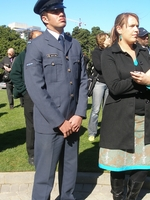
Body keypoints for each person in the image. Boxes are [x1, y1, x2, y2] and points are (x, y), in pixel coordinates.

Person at [23, 0, 88, 199]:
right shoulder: (36, 46)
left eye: (62, 10)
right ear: (45, 18)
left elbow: (83, 81)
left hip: (73, 123)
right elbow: (36, 89)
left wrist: (79, 114)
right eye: (55, 11)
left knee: (69, 176)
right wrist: (59, 122)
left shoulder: (73, 44)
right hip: (50, 126)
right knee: (44, 179)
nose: (61, 13)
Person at [98, 13, 150, 200]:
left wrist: (149, 82)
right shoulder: (109, 54)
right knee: (118, 167)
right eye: (132, 26)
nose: (137, 29)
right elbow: (115, 87)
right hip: (119, 119)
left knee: (143, 167)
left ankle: (132, 198)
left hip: (145, 119)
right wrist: (143, 80)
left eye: (138, 25)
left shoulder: (144, 52)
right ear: (119, 29)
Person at [10, 30, 43, 166]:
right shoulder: (24, 55)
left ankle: (45, 151)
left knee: (46, 124)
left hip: (45, 95)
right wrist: (24, 91)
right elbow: (14, 74)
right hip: (30, 96)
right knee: (31, 126)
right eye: (37, 38)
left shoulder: (45, 52)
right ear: (30, 39)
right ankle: (32, 153)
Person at [88, 33, 110, 142]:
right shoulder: (96, 52)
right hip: (99, 83)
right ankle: (92, 132)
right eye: (107, 38)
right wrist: (110, 65)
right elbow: (98, 66)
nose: (110, 39)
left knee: (107, 109)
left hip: (109, 83)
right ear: (102, 40)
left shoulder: (111, 51)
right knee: (96, 110)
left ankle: (106, 131)